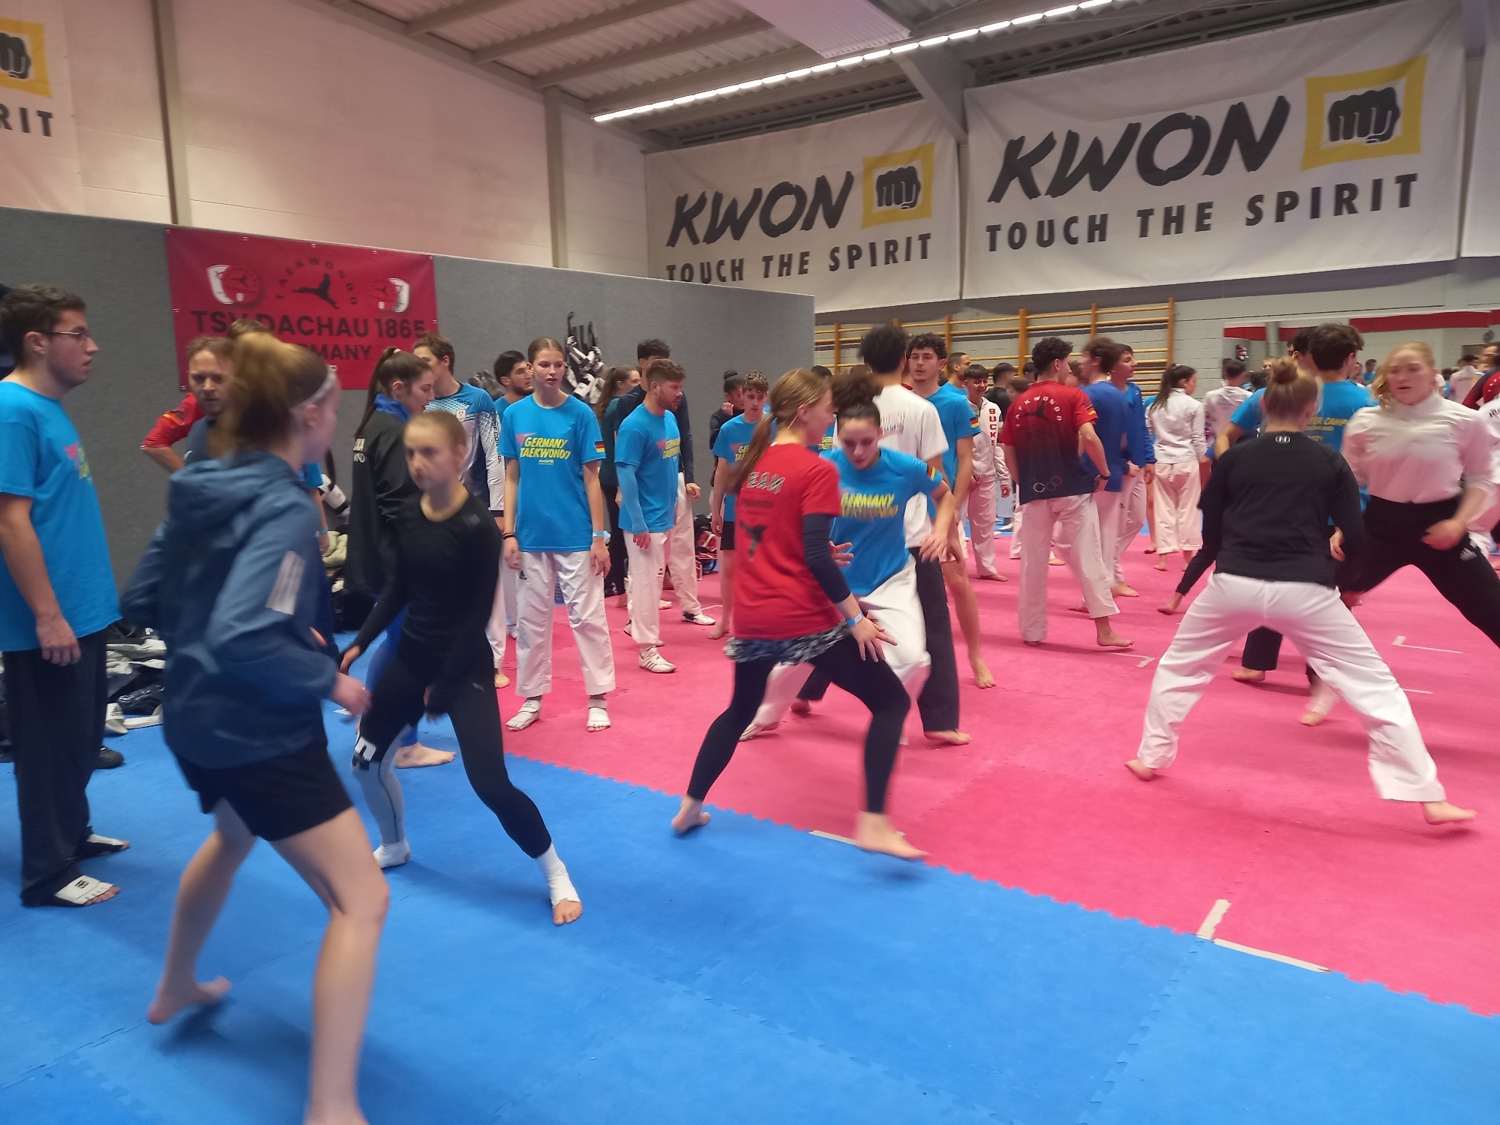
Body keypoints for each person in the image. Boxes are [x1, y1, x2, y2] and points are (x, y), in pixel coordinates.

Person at [121, 331, 391, 1123]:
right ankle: (331, 1104)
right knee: (363, 899)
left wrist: (226, 638)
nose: (334, 421)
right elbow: (246, 631)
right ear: (308, 415)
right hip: (259, 730)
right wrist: (329, 678)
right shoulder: (285, 508)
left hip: (191, 718)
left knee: (233, 834)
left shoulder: (199, 483)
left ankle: (176, 983)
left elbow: (142, 597)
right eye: (332, 407)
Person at [1125, 357, 1474, 827]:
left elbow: (1213, 527)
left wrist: (1223, 562)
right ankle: (1426, 795)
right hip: (1306, 588)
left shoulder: (1235, 457)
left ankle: (1150, 756)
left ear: (1264, 406)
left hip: (1234, 583)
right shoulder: (1328, 460)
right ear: (1311, 409)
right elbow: (1355, 533)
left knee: (1180, 666)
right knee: (1375, 687)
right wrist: (1350, 583)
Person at [338, 410, 582, 923]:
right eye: (411, 452)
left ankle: (556, 872)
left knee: (490, 783)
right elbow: (399, 587)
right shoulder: (408, 512)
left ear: (458, 455)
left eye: (428, 452)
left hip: (464, 665)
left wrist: (444, 688)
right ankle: (395, 844)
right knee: (365, 762)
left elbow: (475, 617)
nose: (417, 463)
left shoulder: (476, 527)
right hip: (412, 657)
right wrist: (361, 641)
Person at [669, 368, 923, 859]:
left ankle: (689, 806)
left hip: (755, 613)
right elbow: (814, 555)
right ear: (805, 412)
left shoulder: (757, 462)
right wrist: (855, 619)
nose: (832, 417)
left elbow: (774, 538)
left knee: (740, 709)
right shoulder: (817, 469)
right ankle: (874, 823)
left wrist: (819, 552)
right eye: (828, 409)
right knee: (891, 702)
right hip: (803, 616)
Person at [744, 369, 956, 740]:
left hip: (890, 577)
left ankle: (890, 717)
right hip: (835, 579)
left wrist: (940, 532)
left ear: (881, 435)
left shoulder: (905, 467)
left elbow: (944, 493)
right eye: (848, 443)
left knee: (914, 660)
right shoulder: (822, 466)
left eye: (866, 442)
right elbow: (789, 517)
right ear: (836, 436)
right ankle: (765, 715)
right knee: (796, 659)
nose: (857, 451)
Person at [0, 284, 125, 907]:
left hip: (85, 610)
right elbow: (10, 521)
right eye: (78, 334)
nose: (91, 345)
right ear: (37, 342)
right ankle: (47, 874)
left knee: (79, 736)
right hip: (46, 621)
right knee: (48, 746)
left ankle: (72, 835)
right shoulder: (11, 409)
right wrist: (48, 616)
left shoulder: (48, 407)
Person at [1216, 323, 1375, 684]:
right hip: (1339, 509)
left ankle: (1256, 662)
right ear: (1351, 359)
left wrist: (1237, 478)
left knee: (1273, 580)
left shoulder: (1277, 393)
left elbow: (1226, 437)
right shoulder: (1366, 403)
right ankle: (1321, 671)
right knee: (1327, 594)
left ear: (1306, 354)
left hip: (1280, 505)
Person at [1341, 342, 1500, 651]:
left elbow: (1481, 477)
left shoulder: (1465, 420)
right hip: (1380, 528)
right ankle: (1324, 673)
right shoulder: (1365, 421)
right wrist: (1340, 527)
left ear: (1432, 374)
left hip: (1442, 528)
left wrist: (1459, 523)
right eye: (1395, 371)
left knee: (1491, 608)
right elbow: (1348, 481)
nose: (1403, 377)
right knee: (1326, 597)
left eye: (1413, 369)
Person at [501, 336, 617, 733]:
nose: (552, 371)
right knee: (531, 623)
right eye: (544, 364)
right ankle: (532, 698)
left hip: (576, 534)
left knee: (587, 618)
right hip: (531, 535)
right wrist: (509, 533)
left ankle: (598, 697)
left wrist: (598, 537)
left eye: (558, 365)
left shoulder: (580, 414)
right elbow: (511, 476)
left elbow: (592, 479)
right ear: (530, 368)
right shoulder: (514, 415)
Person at [863, 324, 968, 744]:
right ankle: (940, 720)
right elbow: (937, 477)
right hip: (912, 534)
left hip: (861, 531)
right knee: (933, 624)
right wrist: (950, 530)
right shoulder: (920, 409)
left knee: (842, 616)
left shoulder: (851, 408)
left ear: (865, 360)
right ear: (904, 359)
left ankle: (806, 688)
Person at [346, 348, 448, 768]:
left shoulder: (373, 424)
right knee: (410, 649)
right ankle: (404, 743)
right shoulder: (392, 431)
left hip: (377, 555)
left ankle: (373, 724)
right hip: (395, 560)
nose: (430, 397)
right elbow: (398, 502)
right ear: (399, 388)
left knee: (395, 643)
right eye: (425, 389)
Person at [1000, 336, 1131, 650]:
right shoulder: (1074, 396)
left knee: (1033, 564)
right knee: (1089, 558)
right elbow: (1090, 436)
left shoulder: (1017, 404)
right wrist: (1104, 472)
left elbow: (1008, 452)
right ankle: (1103, 630)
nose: (1070, 368)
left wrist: (1023, 482)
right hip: (1072, 488)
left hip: (1034, 491)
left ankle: (1032, 631)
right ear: (1057, 363)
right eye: (1068, 362)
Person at [412, 333, 507, 682]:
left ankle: (493, 661)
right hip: (432, 507)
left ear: (445, 361)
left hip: (473, 504)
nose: (418, 367)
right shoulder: (419, 403)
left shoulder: (477, 399)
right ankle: (445, 659)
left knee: (487, 584)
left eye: (424, 360)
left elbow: (495, 456)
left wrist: (498, 509)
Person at [907, 333, 993, 689]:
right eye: (914, 356)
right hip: (903, 508)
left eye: (927, 356)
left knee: (957, 581)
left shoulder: (956, 404)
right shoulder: (899, 400)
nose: (919, 363)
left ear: (941, 363)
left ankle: (975, 656)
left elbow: (965, 458)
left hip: (941, 505)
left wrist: (952, 507)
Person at [610, 339, 712, 627]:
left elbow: (682, 441)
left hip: (669, 489)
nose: (678, 392)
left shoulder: (670, 413)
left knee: (677, 551)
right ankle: (639, 626)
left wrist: (687, 479)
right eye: (674, 386)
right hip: (644, 495)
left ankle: (688, 607)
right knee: (645, 569)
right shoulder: (630, 411)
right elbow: (625, 462)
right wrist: (630, 506)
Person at [616, 360, 687, 674]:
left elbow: (669, 465)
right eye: (674, 387)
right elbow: (626, 475)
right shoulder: (634, 426)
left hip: (666, 514)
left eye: (680, 386)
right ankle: (647, 650)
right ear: (655, 386)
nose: (679, 393)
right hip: (643, 521)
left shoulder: (669, 419)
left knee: (653, 582)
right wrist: (638, 522)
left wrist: (673, 502)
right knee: (646, 586)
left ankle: (638, 625)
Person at [1077, 340, 1144, 598]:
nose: (1081, 362)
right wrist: (1122, 464)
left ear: (1096, 360)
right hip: (1113, 472)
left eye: (1084, 357)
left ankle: (1097, 590)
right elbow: (1126, 437)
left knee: (1075, 538)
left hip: (1090, 472)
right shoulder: (1120, 395)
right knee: (1105, 535)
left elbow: (1085, 437)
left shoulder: (1087, 394)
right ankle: (1104, 586)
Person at [1088, 339, 1155, 584]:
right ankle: (1114, 577)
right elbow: (1107, 436)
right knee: (1112, 523)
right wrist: (1122, 464)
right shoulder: (1105, 394)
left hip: (1138, 461)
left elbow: (1141, 427)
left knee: (1137, 519)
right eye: (1127, 360)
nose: (1134, 363)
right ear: (1113, 366)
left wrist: (1149, 458)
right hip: (1120, 466)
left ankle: (1109, 564)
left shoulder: (1134, 390)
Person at [709, 370, 769, 641]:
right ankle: (725, 619)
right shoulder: (729, 429)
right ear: (741, 396)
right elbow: (722, 472)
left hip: (767, 509)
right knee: (730, 568)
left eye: (759, 397)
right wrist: (716, 510)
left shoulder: (775, 427)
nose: (755, 402)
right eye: (750, 396)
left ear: (766, 397)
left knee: (763, 568)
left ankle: (762, 620)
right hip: (735, 508)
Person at [1146, 365, 1208, 573]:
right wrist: (1205, 461)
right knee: (1188, 510)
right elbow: (1198, 438)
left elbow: (1146, 433)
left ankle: (1163, 558)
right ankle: (1187, 559)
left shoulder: (1154, 405)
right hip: (1186, 460)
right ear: (1184, 382)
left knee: (1163, 509)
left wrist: (1147, 459)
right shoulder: (1194, 405)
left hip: (1161, 460)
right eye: (1194, 381)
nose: (1195, 385)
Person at [596, 364, 642, 607]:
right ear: (620, 384)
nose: (638, 386)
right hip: (615, 477)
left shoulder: (611, 406)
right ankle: (620, 587)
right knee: (621, 532)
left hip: (610, 474)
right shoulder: (618, 406)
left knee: (618, 531)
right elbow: (618, 442)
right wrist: (622, 485)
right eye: (634, 381)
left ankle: (616, 584)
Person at [962, 363, 1008, 580]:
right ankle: (953, 568)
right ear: (965, 383)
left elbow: (996, 444)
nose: (981, 385)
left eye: (984, 381)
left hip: (987, 474)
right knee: (954, 522)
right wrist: (966, 472)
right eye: (976, 382)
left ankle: (987, 568)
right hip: (961, 475)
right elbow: (955, 445)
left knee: (986, 523)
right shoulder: (957, 406)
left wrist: (1004, 477)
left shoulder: (993, 409)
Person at [1203, 359, 1252, 481]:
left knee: (1219, 477)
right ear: (1243, 375)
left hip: (1218, 443)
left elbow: (1203, 418)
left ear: (1225, 375)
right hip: (1240, 443)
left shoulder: (1211, 396)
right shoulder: (1249, 397)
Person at [708, 370, 743, 451]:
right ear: (727, 396)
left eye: (745, 394)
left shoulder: (750, 413)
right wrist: (728, 420)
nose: (743, 399)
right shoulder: (718, 418)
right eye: (739, 396)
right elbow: (715, 446)